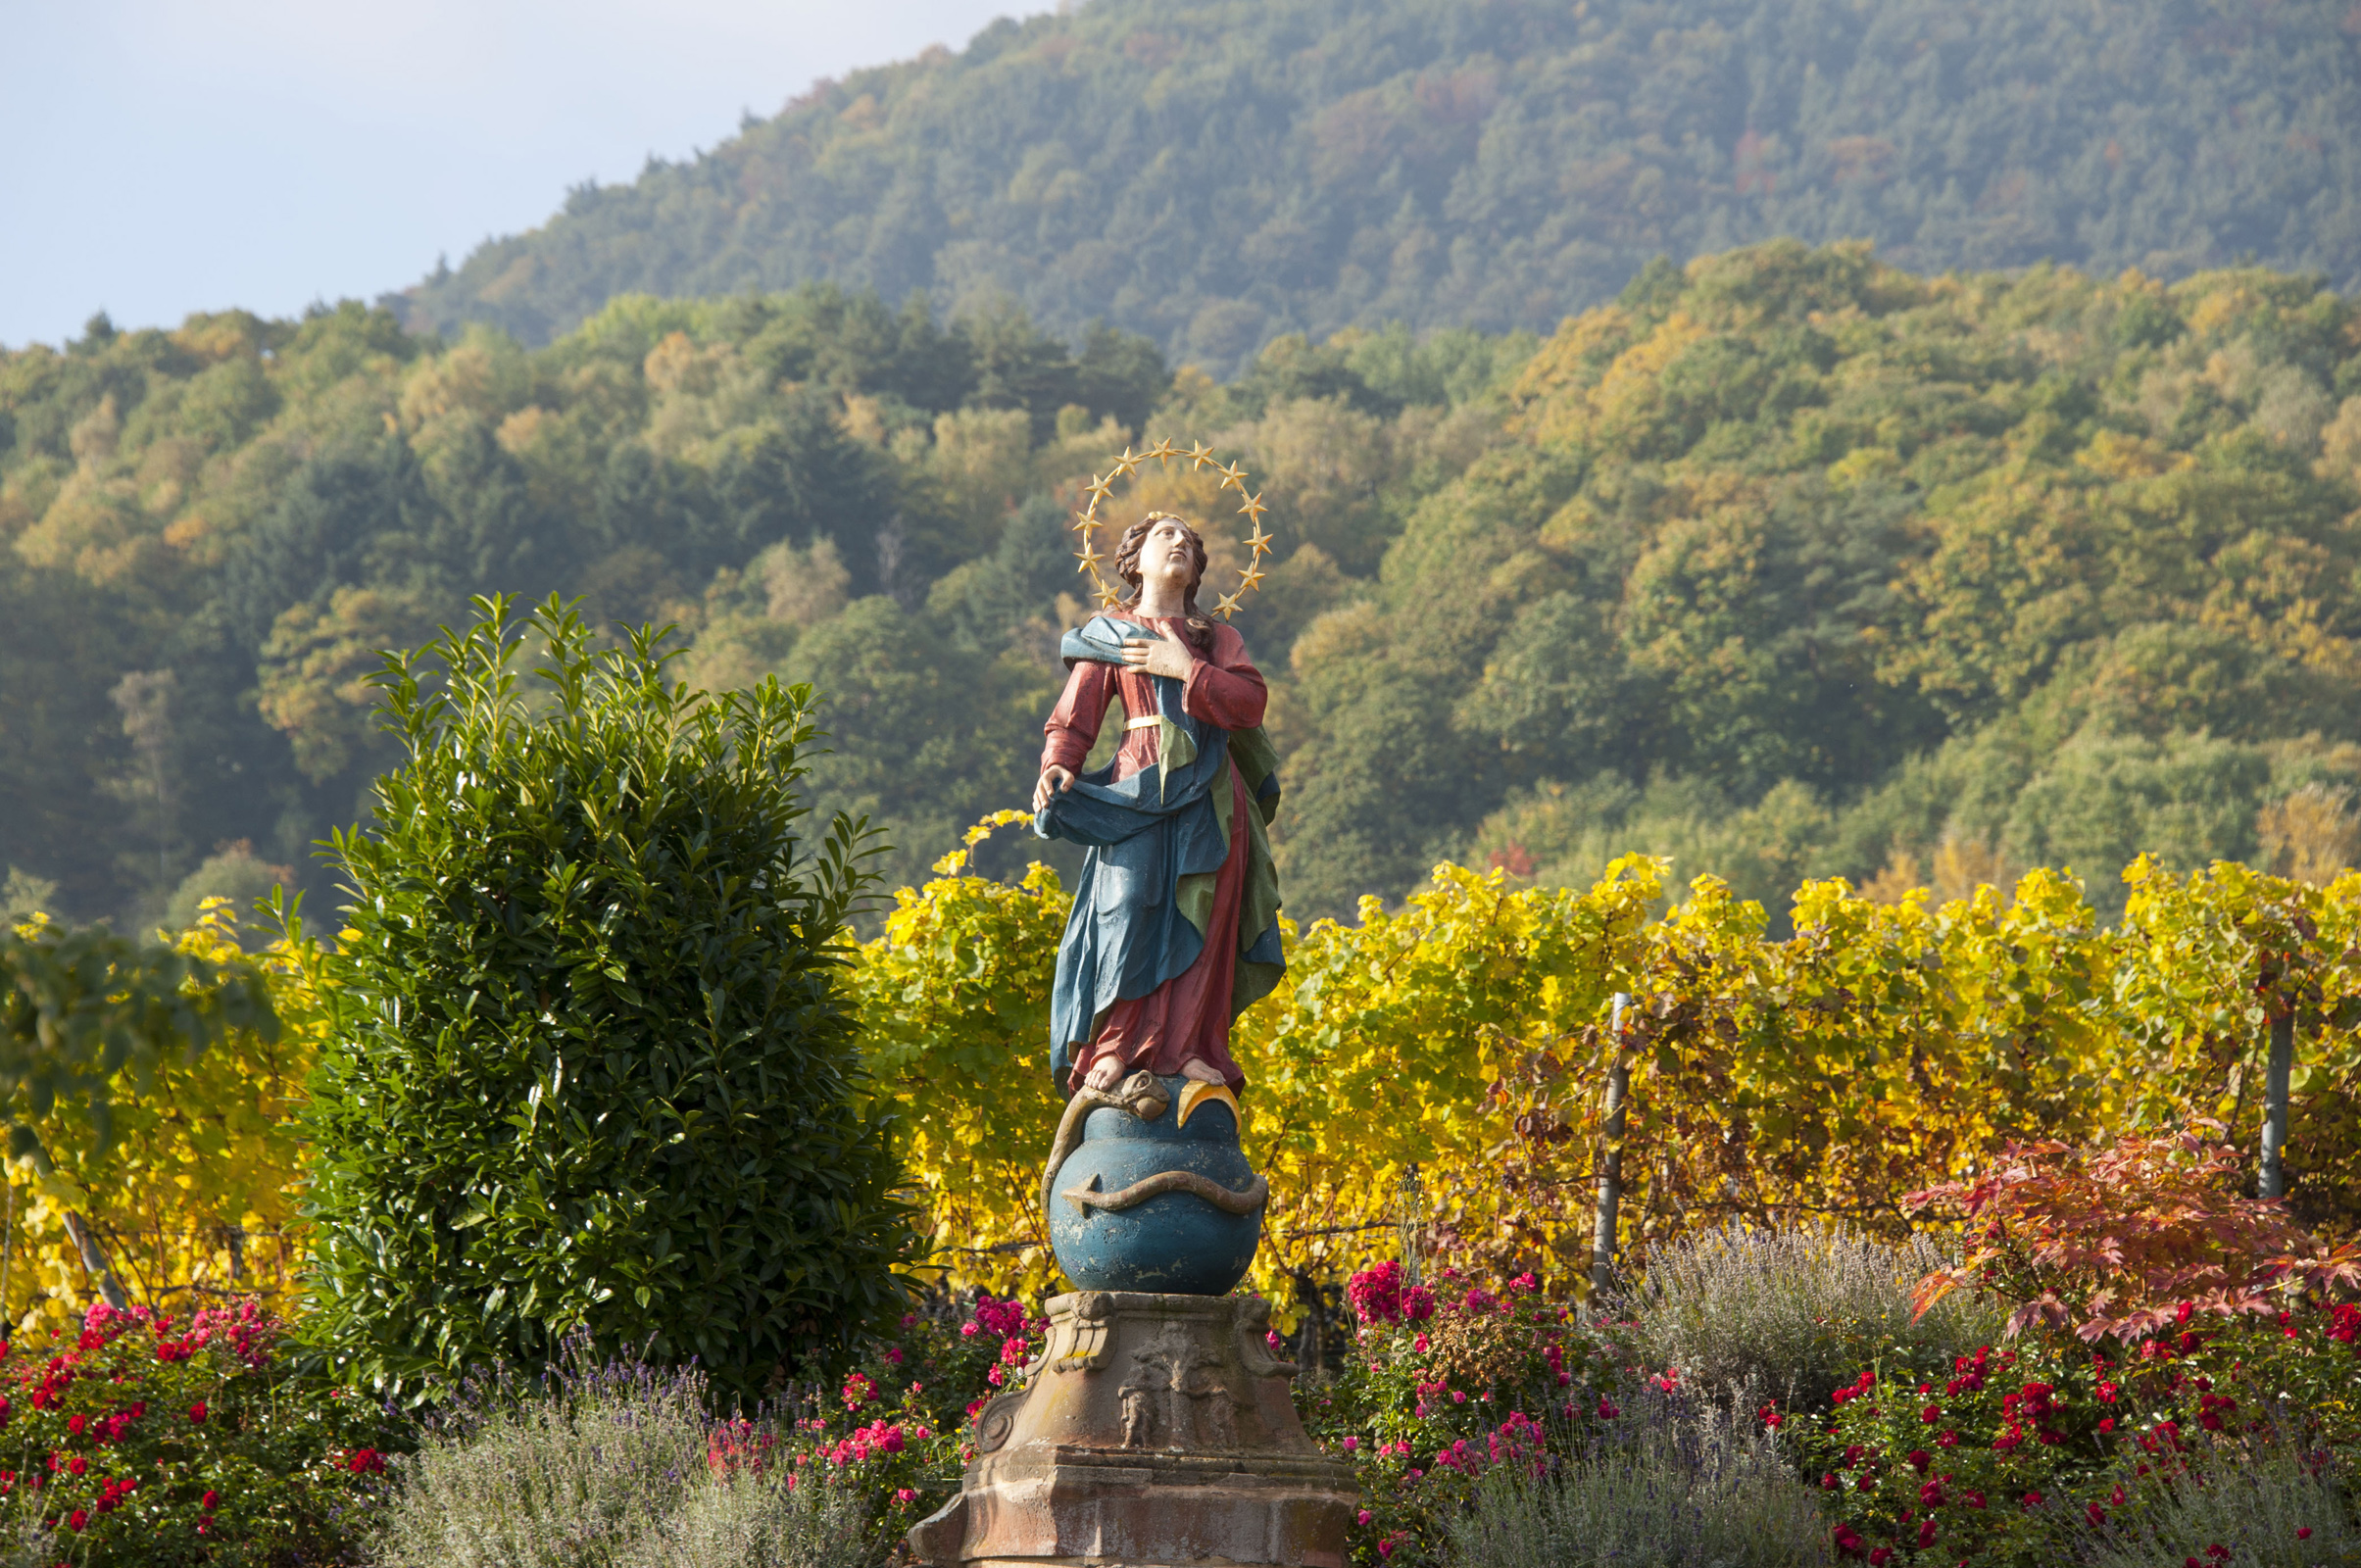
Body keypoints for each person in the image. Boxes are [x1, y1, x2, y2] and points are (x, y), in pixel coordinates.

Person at [1033, 512, 1284, 1097]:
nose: (1178, 543)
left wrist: (1186, 669)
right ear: (1135, 559)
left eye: (1189, 541)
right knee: (1127, 907)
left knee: (1207, 914)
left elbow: (1249, 704)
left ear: (1197, 569)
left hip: (1212, 796)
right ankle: (1118, 1044)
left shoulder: (1215, 639)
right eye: (1163, 535)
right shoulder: (1111, 633)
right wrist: (1058, 764)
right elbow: (1074, 718)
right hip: (1137, 787)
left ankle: (1193, 1044)